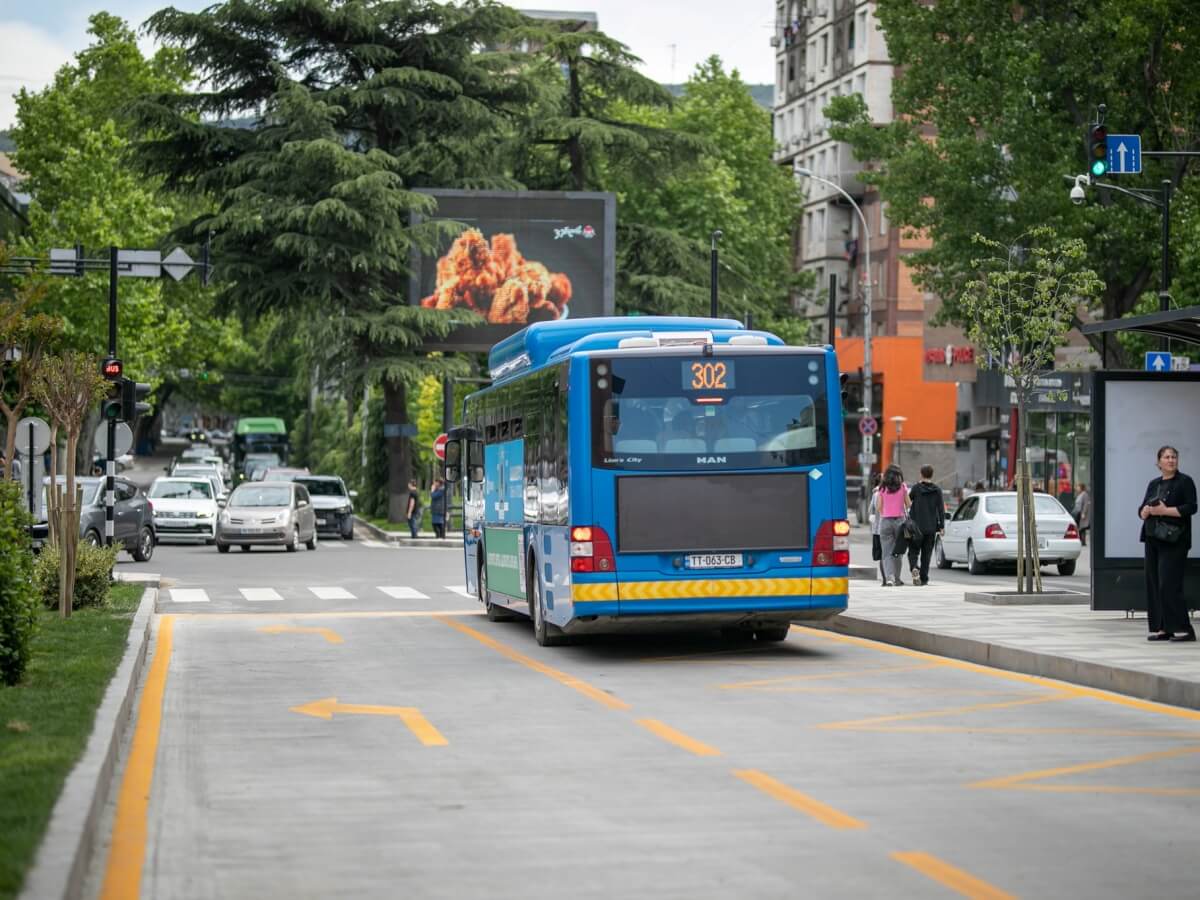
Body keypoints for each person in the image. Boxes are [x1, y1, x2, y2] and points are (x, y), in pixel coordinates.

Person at [1139, 446, 1197, 642]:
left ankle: (1185, 629)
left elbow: (1191, 507)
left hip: (1175, 540)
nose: (1171, 460)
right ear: (1159, 462)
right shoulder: (1154, 484)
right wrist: (1145, 511)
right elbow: (1142, 508)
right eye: (1167, 457)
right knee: (1154, 584)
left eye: (1174, 457)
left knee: (1169, 584)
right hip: (1153, 537)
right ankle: (1163, 628)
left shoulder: (1185, 481)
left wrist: (1165, 511)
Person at [907, 465, 945, 586]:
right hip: (931, 527)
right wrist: (942, 526)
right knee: (926, 554)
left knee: (913, 550)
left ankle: (914, 567)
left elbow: (908, 501)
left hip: (916, 526)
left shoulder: (916, 488)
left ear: (921, 474)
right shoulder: (937, 490)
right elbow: (941, 509)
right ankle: (924, 578)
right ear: (932, 474)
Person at [874, 464, 910, 586]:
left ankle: (889, 578)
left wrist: (885, 512)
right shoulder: (903, 487)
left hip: (886, 521)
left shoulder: (882, 488)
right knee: (898, 552)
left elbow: (878, 507)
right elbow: (908, 504)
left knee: (887, 552)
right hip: (900, 522)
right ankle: (897, 578)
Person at [1073, 482, 1091, 547]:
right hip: (1078, 512)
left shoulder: (1084, 494)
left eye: (1078, 487)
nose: (1077, 488)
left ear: (1081, 487)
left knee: (1082, 527)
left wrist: (1083, 513)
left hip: (1081, 513)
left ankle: (1082, 541)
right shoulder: (1080, 494)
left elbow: (1086, 504)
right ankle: (1081, 541)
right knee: (1080, 527)